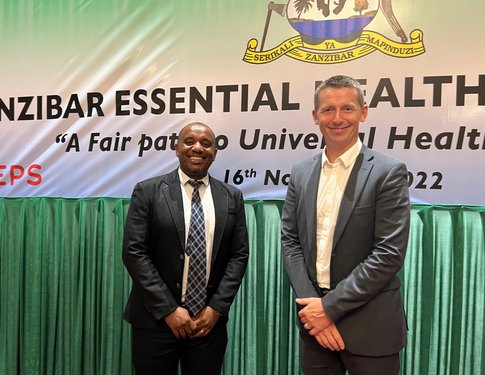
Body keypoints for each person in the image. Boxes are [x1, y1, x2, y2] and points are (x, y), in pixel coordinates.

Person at [281, 75, 410, 375]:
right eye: (328, 110)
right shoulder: (300, 173)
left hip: (371, 328)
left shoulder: (388, 172)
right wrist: (312, 308)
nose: (337, 118)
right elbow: (290, 241)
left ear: (363, 113)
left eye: (347, 109)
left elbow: (388, 254)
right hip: (314, 326)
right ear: (315, 116)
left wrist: (328, 308)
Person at [122, 122, 249, 375]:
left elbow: (238, 256)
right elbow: (134, 252)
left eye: (206, 143)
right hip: (155, 322)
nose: (197, 148)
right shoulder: (147, 192)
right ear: (177, 147)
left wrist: (216, 309)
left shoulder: (231, 197)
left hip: (207, 326)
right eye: (189, 141)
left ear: (214, 151)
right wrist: (169, 310)